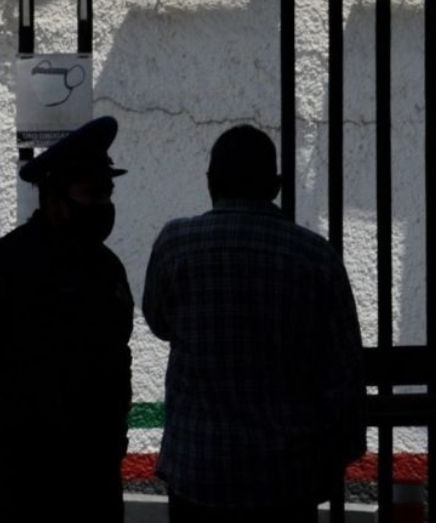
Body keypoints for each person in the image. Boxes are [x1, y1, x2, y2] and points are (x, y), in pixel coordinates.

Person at [143, 124, 365, 522]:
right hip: (284, 479)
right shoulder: (315, 257)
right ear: (276, 186)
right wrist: (336, 456)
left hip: (198, 471)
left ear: (210, 183)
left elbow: (159, 323)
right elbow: (343, 371)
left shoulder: (176, 244)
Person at [0, 116, 134, 522]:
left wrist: (115, 441)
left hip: (95, 479)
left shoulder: (107, 269)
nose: (104, 205)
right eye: (93, 193)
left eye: (107, 193)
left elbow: (118, 360)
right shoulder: (2, 266)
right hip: (25, 481)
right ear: (55, 198)